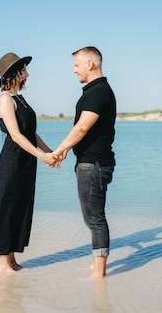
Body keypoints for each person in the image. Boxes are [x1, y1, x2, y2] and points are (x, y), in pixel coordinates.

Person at [52, 46, 116, 278]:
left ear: (90, 64)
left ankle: (99, 273)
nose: (74, 70)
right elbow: (82, 130)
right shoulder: (96, 90)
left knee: (95, 218)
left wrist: (59, 150)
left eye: (76, 65)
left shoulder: (98, 92)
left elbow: (82, 127)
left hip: (94, 164)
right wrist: (69, 149)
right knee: (92, 216)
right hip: (93, 161)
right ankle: (96, 264)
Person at [0, 52, 58, 273]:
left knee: (21, 208)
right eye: (24, 70)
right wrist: (42, 156)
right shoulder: (5, 100)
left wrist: (50, 151)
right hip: (12, 161)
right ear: (15, 73)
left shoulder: (20, 98)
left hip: (26, 161)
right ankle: (3, 263)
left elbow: (30, 133)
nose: (28, 74)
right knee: (8, 209)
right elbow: (16, 135)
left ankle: (12, 258)